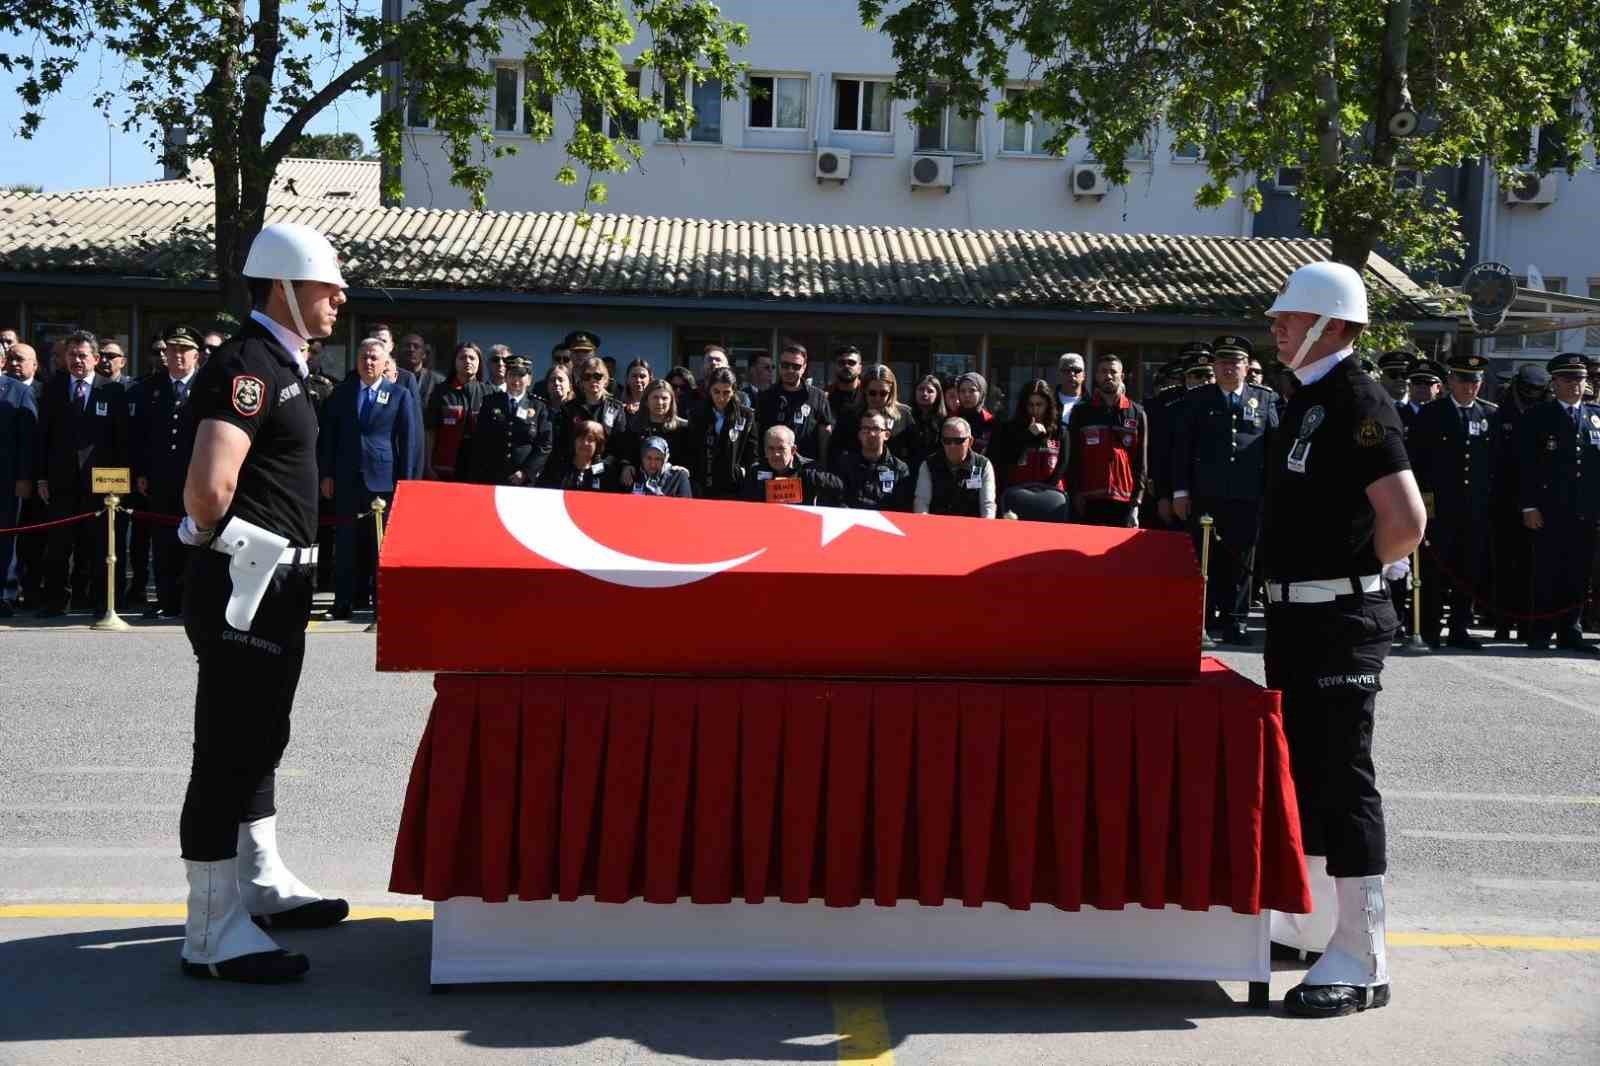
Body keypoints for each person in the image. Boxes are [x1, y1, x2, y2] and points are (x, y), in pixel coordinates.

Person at [174, 221, 353, 983]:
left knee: (263, 738)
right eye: (325, 285)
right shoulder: (247, 366)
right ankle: (210, 930)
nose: (340, 297)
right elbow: (209, 486)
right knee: (227, 749)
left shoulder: (286, 365)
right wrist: (211, 533)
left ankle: (260, 882)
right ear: (282, 286)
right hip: (247, 585)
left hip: (279, 585)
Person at [1259, 260, 1426, 1018]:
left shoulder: (1359, 398)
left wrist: (1356, 579)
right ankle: (1319, 926)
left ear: (1336, 326)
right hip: (1297, 616)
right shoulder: (1307, 400)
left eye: (1292, 317)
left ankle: (1364, 956)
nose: (1278, 327)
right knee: (1303, 773)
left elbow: (1406, 523)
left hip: (1339, 619)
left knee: (1343, 778)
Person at [1171, 336, 1278, 643]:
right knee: (1205, 558)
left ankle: (1237, 621)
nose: (1229, 368)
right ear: (1214, 367)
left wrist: (1271, 494)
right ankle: (1202, 621)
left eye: (1235, 362)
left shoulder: (1264, 399)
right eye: (1223, 362)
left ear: (1247, 367)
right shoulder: (1197, 398)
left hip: (1248, 495)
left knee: (1242, 561)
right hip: (1206, 493)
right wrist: (1180, 492)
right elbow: (1183, 449)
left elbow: (1272, 448)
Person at [319, 337, 423, 620]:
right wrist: (326, 474)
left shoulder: (399, 394)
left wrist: (408, 483)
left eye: (374, 358)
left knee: (381, 546)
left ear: (385, 362)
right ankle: (342, 602)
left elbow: (409, 441)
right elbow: (328, 437)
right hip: (346, 479)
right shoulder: (341, 393)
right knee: (346, 545)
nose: (368, 362)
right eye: (364, 356)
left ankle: (381, 605)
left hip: (383, 481)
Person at [31, 329, 130, 617]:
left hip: (101, 482)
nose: (76, 360)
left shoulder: (112, 391)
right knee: (59, 546)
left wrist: (121, 481)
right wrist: (41, 477)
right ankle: (55, 601)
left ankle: (101, 602)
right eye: (71, 355)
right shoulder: (52, 389)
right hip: (61, 481)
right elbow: (42, 438)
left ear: (96, 358)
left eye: (82, 355)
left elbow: (122, 440)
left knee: (100, 546)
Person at [1406, 351, 1496, 649]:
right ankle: (1430, 629)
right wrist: (1424, 510)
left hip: (1475, 510)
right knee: (1434, 571)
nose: (1470, 387)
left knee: (1468, 571)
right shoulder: (1432, 414)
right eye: (1463, 381)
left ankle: (1460, 628)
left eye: (1475, 382)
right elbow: (1416, 464)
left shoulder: (1490, 415)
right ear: (1451, 382)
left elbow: (1497, 466)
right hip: (1439, 510)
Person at [1516, 352, 1600, 652]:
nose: (1575, 385)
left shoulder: (1596, 416)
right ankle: (1540, 631)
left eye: (1580, 379)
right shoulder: (1539, 416)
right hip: (1549, 509)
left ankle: (1571, 630)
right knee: (1547, 572)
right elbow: (1526, 465)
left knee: (1579, 573)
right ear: (1555, 383)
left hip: (1586, 510)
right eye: (1568, 379)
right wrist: (1528, 506)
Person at [131, 326, 202, 619]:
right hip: (161, 480)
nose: (177, 356)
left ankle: (191, 600)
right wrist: (142, 472)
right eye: (172, 350)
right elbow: (141, 434)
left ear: (196, 355)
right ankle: (166, 598)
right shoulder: (152, 387)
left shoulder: (207, 386)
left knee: (194, 541)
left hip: (194, 479)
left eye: (184, 350)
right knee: (162, 543)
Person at [1488, 364, 1549, 641]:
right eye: (1526, 389)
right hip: (1503, 501)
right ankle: (1502, 623)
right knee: (1503, 565)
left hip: (1537, 502)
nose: (1531, 394)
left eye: (1537, 390)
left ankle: (1527, 623)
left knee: (1533, 566)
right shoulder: (1500, 414)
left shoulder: (1545, 414)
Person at [1064, 355, 1147, 528]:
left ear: (1122, 376)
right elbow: (1072, 458)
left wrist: (1136, 503)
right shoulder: (1082, 412)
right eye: (1103, 372)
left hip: (1124, 502)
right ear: (1095, 376)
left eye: (1113, 372)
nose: (1108, 376)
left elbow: (1141, 463)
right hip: (1088, 500)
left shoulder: (1137, 413)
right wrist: (1076, 493)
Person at [458, 353, 552, 486]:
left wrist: (526, 472)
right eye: (512, 374)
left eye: (521, 375)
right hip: (492, 477)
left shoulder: (539, 407)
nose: (516, 380)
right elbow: (481, 440)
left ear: (529, 379)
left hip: (524, 481)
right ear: (506, 377)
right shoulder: (490, 402)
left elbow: (545, 445)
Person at [988, 380, 1066, 522]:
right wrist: (1027, 437)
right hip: (1017, 496)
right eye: (1031, 405)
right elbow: (1005, 461)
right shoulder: (1009, 429)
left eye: (1039, 405)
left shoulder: (1061, 431)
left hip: (1051, 498)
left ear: (1048, 405)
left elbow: (1063, 465)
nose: (1035, 410)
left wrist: (1044, 491)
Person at [549, 354, 627, 484]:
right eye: (587, 376)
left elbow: (619, 444)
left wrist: (598, 466)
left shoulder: (616, 408)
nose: (592, 380)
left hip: (605, 470)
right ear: (581, 381)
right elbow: (562, 442)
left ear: (606, 380)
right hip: (573, 470)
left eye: (597, 376)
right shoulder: (569, 408)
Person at [687, 366, 758, 499]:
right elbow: (691, 450)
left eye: (726, 392)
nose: (721, 397)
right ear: (710, 390)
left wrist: (743, 472)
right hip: (705, 482)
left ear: (734, 391)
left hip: (734, 484)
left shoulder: (745, 415)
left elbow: (752, 452)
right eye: (716, 392)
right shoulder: (697, 414)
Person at [756, 342, 833, 464]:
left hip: (806, 468)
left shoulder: (818, 397)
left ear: (804, 367)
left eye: (796, 366)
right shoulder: (765, 397)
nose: (790, 370)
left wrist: (823, 463)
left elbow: (824, 433)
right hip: (772, 467)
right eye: (785, 365)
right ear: (780, 366)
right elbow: (757, 434)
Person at [0, 363, 37, 618]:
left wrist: (24, 478)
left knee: (6, 538)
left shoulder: (18, 391)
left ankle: (5, 594)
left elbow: (28, 440)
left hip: (7, 480)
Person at [424, 342, 488, 480]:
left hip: (478, 470)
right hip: (445, 468)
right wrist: (427, 465)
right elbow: (430, 432)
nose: (467, 361)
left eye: (472, 358)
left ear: (479, 363)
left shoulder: (490, 393)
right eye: (462, 357)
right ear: (454, 362)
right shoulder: (440, 392)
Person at [913, 416, 996, 518]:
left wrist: (985, 530)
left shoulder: (983, 465)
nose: (952, 445)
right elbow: (921, 502)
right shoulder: (929, 465)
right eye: (947, 440)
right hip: (938, 527)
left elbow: (987, 505)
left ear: (970, 442)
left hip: (972, 528)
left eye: (958, 441)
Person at [741, 424, 844, 506]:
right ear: (765, 450)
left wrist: (808, 478)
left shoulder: (810, 469)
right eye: (771, 449)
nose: (776, 454)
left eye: (781, 449)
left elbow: (840, 486)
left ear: (793, 450)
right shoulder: (755, 471)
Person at [618, 378, 692, 489]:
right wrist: (626, 466)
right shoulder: (634, 425)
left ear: (671, 401)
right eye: (655, 397)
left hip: (672, 484)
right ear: (647, 401)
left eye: (664, 398)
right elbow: (626, 453)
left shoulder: (683, 427)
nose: (660, 402)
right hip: (639, 484)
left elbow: (688, 460)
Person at [835, 410, 913, 512]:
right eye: (866, 429)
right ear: (859, 435)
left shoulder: (899, 469)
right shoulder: (845, 463)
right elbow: (838, 500)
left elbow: (902, 508)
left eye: (876, 429)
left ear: (887, 435)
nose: (871, 434)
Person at [833, 364, 912, 463]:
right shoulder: (850, 415)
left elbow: (913, 450)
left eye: (883, 393)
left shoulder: (904, 415)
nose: (877, 398)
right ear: (864, 390)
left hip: (896, 474)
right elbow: (838, 448)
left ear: (891, 391)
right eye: (872, 393)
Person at [557, 418, 623, 492]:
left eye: (590, 439)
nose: (585, 443)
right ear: (574, 441)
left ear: (597, 445)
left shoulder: (604, 472)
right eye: (581, 438)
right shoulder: (560, 467)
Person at [906, 373, 947, 477]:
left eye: (930, 391)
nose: (924, 394)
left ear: (938, 394)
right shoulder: (906, 417)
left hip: (935, 473)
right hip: (909, 472)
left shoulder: (945, 421)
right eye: (920, 389)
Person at [395, 333, 443, 413]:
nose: (411, 349)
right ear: (399, 351)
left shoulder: (438, 381)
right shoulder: (389, 378)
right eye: (407, 346)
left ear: (424, 354)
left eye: (416, 346)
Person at [950, 372, 995, 454]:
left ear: (981, 393)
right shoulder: (951, 420)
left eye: (972, 390)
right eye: (962, 391)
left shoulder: (990, 422)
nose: (967, 395)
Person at [826, 344, 865, 422]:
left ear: (860, 368)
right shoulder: (824, 396)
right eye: (841, 362)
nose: (846, 366)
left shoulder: (870, 393)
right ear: (835, 367)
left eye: (851, 362)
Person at [1055, 352, 1087, 428]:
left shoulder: (1093, 404)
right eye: (1066, 370)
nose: (1072, 374)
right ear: (1059, 374)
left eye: (1077, 370)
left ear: (1084, 375)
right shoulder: (1047, 402)